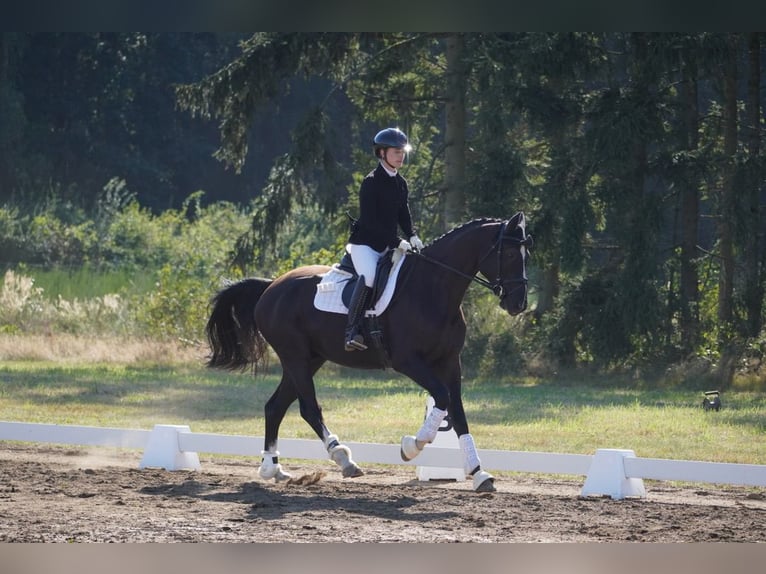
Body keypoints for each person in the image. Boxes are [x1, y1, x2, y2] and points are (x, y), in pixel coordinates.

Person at [344, 127, 424, 351]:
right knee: (369, 277)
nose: (401, 156)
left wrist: (412, 235)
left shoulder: (400, 183)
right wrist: (398, 242)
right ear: (382, 153)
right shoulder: (371, 182)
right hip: (365, 245)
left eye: (403, 152)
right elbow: (372, 224)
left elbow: (403, 214)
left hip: (388, 244)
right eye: (396, 152)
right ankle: (352, 331)